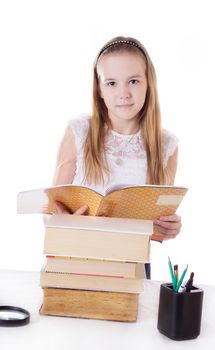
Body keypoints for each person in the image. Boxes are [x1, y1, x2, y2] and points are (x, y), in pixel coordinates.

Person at [52, 36, 182, 279]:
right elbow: (51, 212)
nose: (123, 93)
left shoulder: (166, 146)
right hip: (76, 257)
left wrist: (168, 228)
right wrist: (62, 219)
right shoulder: (78, 131)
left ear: (148, 84)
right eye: (111, 83)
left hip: (131, 264)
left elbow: (156, 226)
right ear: (99, 89)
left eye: (133, 81)